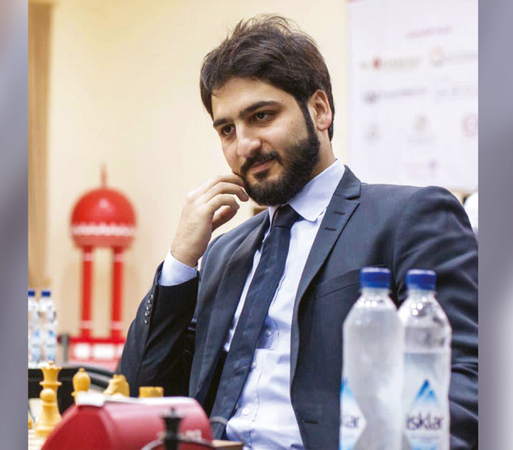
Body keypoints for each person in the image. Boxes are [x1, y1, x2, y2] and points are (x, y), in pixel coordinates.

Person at [119, 15, 478, 450]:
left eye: (262, 116)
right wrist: (180, 261)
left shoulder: (408, 217)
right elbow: (137, 394)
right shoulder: (223, 254)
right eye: (227, 130)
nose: (244, 145)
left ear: (320, 110)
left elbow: (468, 379)